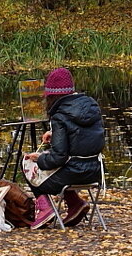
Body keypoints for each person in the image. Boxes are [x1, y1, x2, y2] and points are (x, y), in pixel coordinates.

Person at [24, 67, 105, 228]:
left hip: (72, 175)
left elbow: (58, 158)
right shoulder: (91, 108)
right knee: (60, 163)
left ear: (53, 95)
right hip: (95, 173)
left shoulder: (59, 116)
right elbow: (82, 137)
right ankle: (75, 204)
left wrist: (40, 159)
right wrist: (55, 135)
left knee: (27, 164)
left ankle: (45, 209)